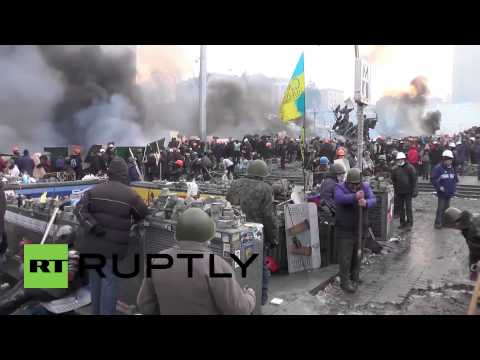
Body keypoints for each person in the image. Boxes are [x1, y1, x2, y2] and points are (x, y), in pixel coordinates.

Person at [136, 208, 256, 315]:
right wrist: (250, 296)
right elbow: (238, 310)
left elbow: (144, 305)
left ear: (176, 236)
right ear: (208, 240)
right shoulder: (217, 266)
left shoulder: (157, 261)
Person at [74, 157, 149, 315]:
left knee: (95, 281)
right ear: (124, 174)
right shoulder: (131, 195)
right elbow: (142, 212)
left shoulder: (94, 190)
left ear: (109, 173)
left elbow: (79, 210)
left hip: (91, 245)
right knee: (109, 282)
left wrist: (92, 226)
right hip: (112, 249)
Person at [226, 160, 277, 305]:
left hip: (235, 231)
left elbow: (227, 205)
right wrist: (273, 238)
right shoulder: (266, 188)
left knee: (236, 265)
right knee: (261, 265)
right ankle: (261, 298)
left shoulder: (235, 183)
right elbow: (269, 216)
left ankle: (236, 296)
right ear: (263, 174)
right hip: (256, 234)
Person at [334, 168, 377, 293]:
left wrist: (366, 202)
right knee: (345, 257)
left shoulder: (365, 187)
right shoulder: (340, 187)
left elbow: (373, 199)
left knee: (358, 255)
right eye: (351, 184)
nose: (354, 186)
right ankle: (345, 281)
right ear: (347, 182)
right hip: (345, 229)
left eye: (356, 184)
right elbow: (339, 199)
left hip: (360, 228)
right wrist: (354, 196)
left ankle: (355, 275)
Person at [443, 207, 480, 281]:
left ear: (456, 222)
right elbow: (473, 249)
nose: (453, 229)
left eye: (452, 226)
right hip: (475, 251)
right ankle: (474, 280)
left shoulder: (474, 228)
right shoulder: (466, 225)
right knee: (473, 266)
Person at [431, 150, 459, 229]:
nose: (449, 161)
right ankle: (438, 223)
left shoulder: (452, 168)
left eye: (450, 160)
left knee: (447, 209)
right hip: (442, 193)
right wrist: (439, 187)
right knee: (440, 208)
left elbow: (454, 179)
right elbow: (433, 179)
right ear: (444, 159)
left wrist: (454, 189)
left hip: (449, 192)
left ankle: (444, 222)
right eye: (448, 160)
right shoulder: (438, 168)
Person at [391, 152, 418, 230]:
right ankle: (402, 222)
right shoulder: (395, 169)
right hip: (399, 191)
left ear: (404, 159)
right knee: (401, 208)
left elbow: (414, 179)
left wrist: (415, 190)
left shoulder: (410, 168)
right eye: (398, 160)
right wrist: (395, 190)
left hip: (408, 191)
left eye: (401, 159)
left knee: (408, 207)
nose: (400, 161)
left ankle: (409, 222)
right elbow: (393, 180)